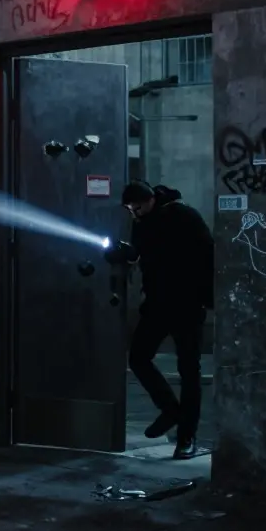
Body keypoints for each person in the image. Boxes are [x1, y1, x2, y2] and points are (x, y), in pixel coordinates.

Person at [104, 181, 214, 460]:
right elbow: (143, 254)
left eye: (137, 206)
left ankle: (187, 436)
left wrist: (206, 298)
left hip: (187, 305)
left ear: (151, 199)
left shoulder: (184, 216)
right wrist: (125, 254)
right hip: (157, 305)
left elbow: (208, 255)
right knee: (139, 357)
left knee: (190, 371)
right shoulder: (143, 222)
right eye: (130, 208)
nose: (134, 212)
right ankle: (171, 410)